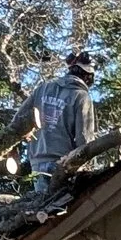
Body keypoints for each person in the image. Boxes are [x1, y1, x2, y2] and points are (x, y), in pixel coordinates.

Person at [27, 49, 98, 183]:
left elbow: (18, 121)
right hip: (63, 164)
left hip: (37, 163)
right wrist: (89, 168)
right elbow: (84, 138)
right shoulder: (82, 96)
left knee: (43, 203)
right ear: (88, 76)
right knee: (66, 203)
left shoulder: (43, 89)